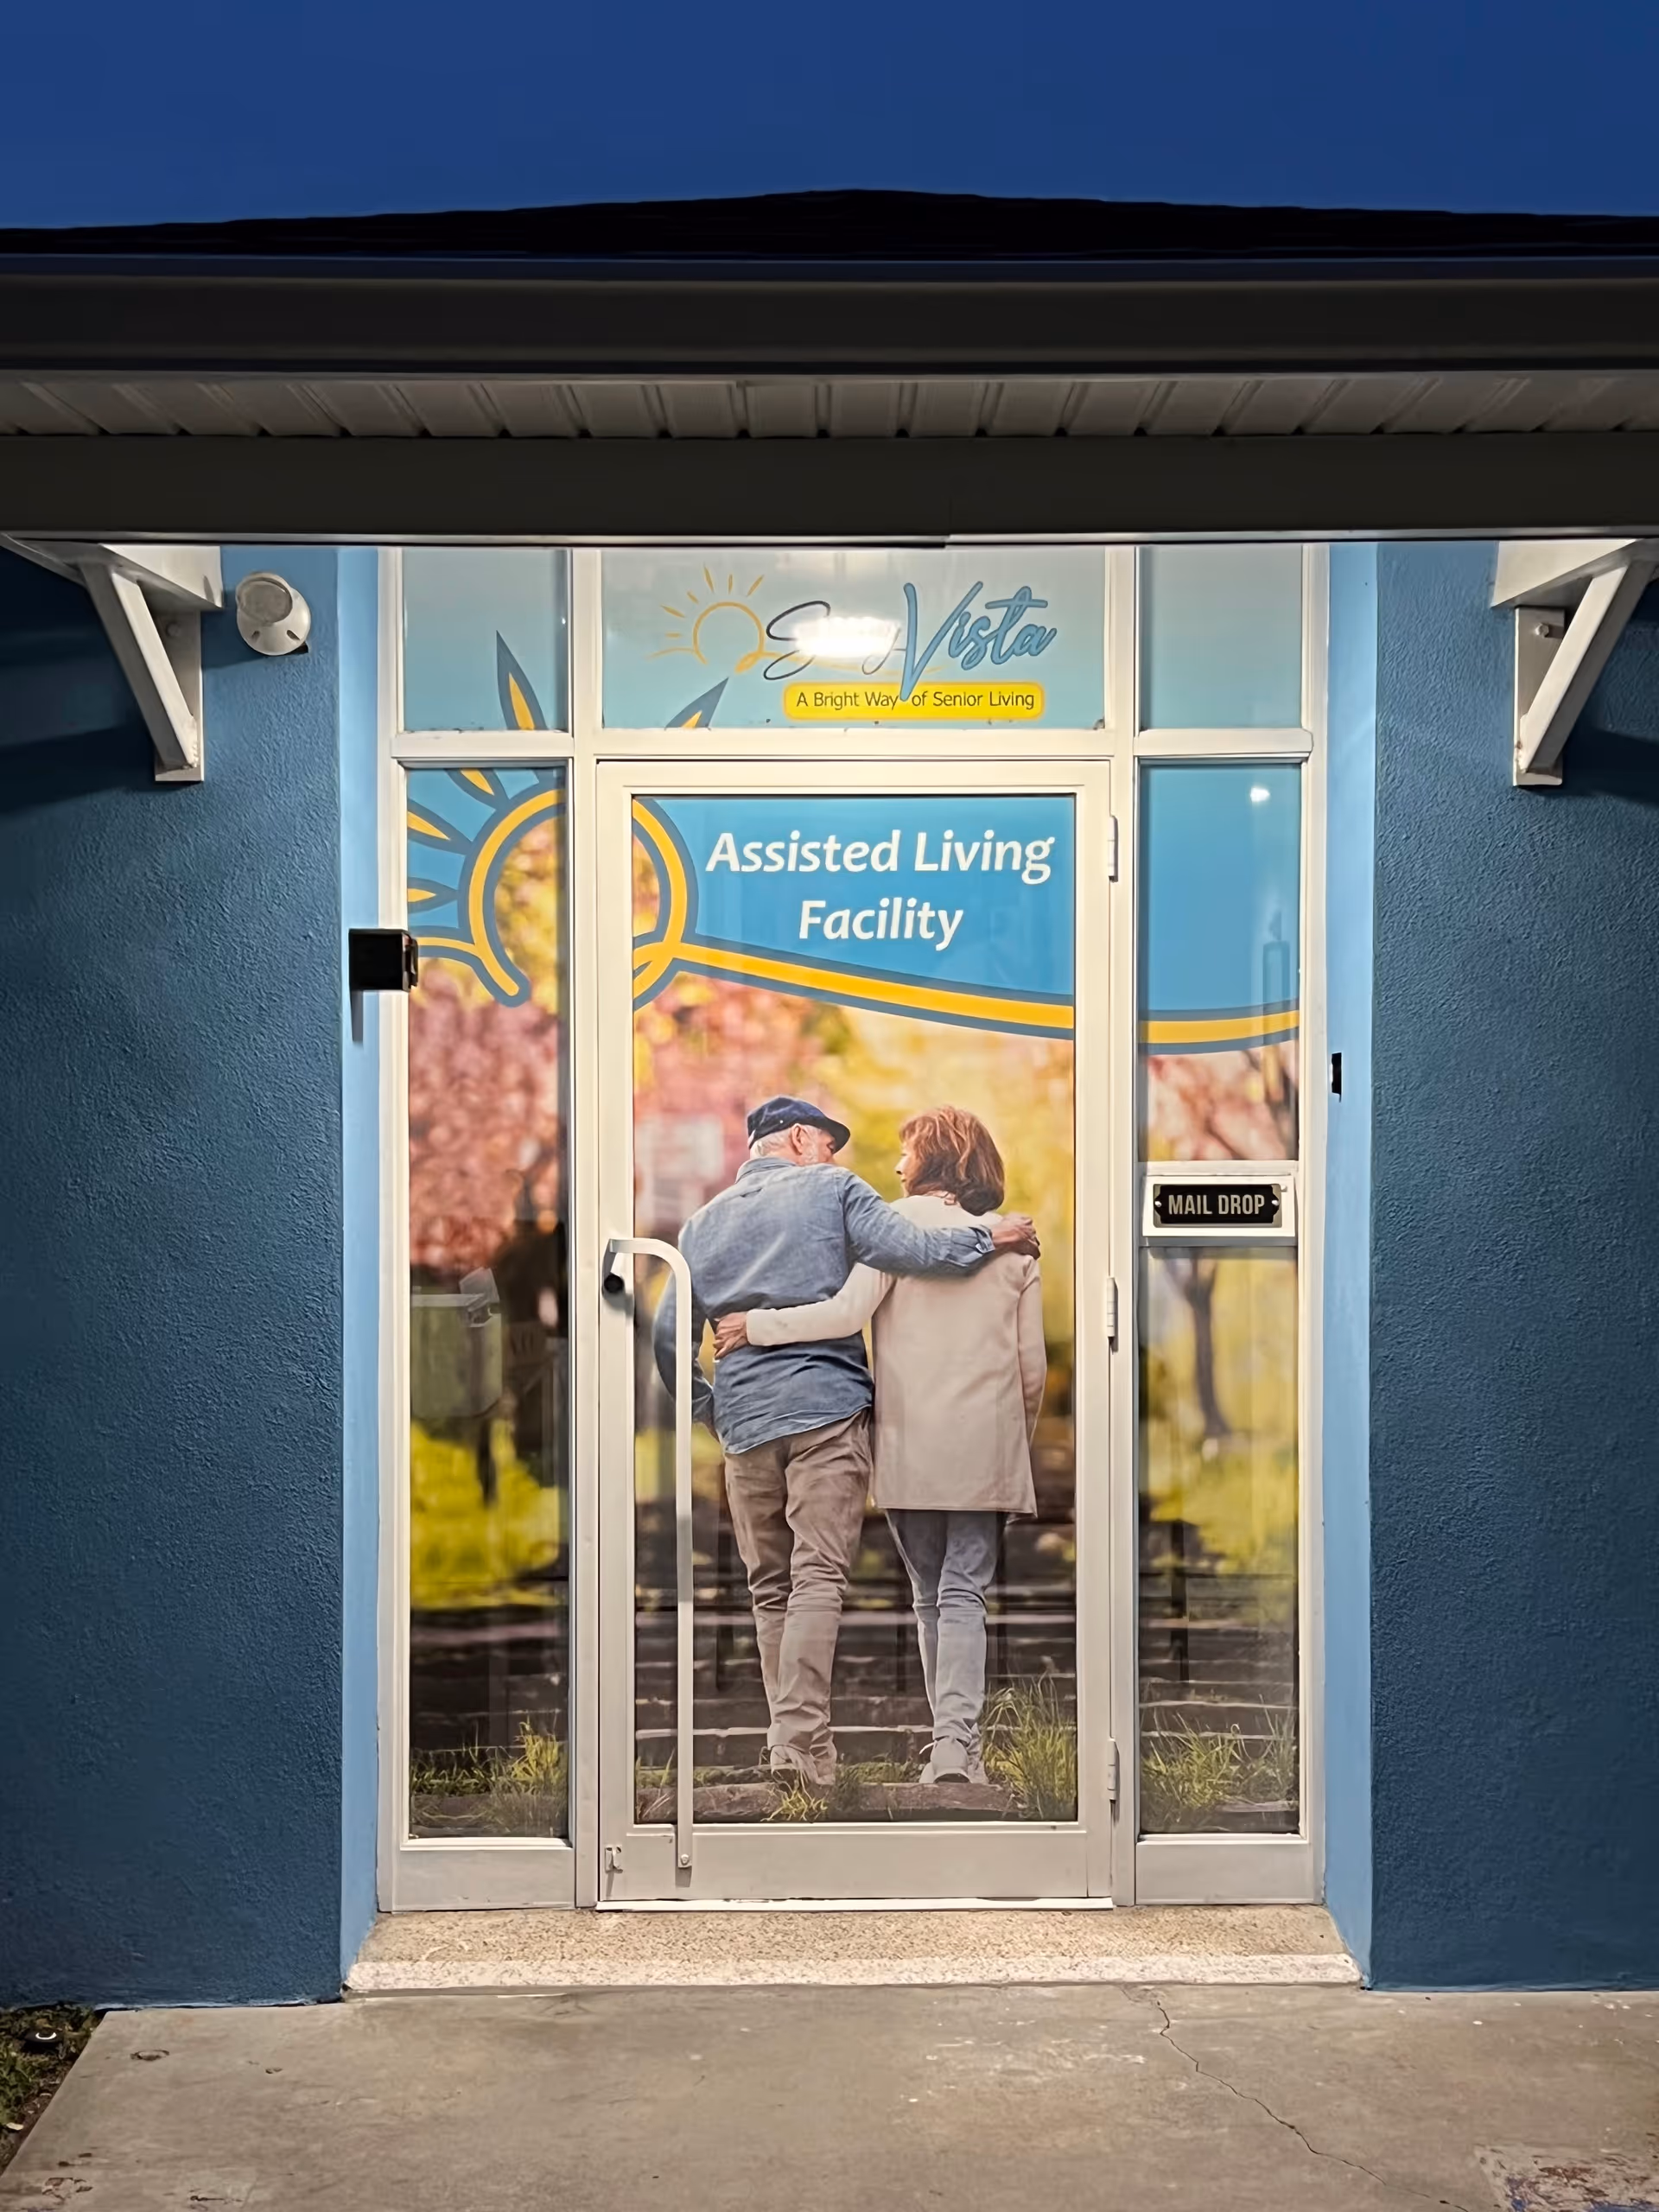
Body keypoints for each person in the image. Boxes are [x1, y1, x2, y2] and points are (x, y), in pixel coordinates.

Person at [653, 1094, 1039, 1789]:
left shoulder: (699, 1225)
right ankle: (824, 1749)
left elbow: (668, 1336)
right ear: (801, 1138)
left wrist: (712, 1407)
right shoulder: (837, 1192)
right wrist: (995, 1237)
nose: (841, 1157)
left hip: (751, 1425)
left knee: (772, 1585)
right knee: (827, 1579)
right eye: (829, 1142)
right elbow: (928, 1262)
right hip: (831, 1414)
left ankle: (794, 1745)